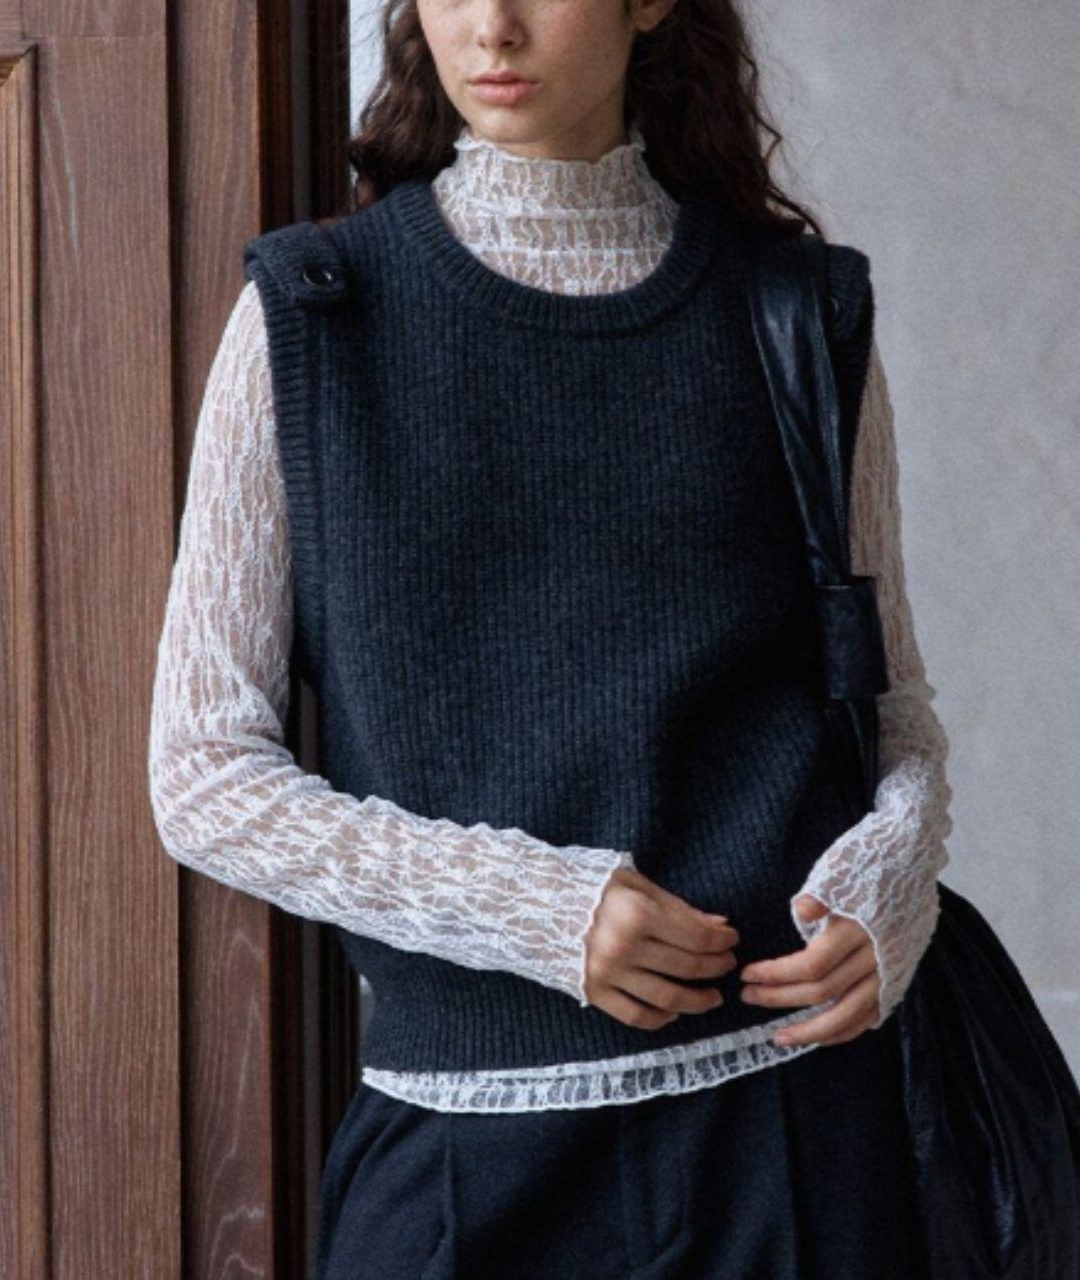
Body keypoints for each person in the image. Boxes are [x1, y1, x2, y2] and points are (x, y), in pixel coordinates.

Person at [148, 1, 955, 1275]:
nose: (493, 25)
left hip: (790, 1134)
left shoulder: (796, 308)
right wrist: (535, 908)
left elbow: (890, 701)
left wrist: (890, 879)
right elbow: (201, 774)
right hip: (466, 1161)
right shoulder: (313, 316)